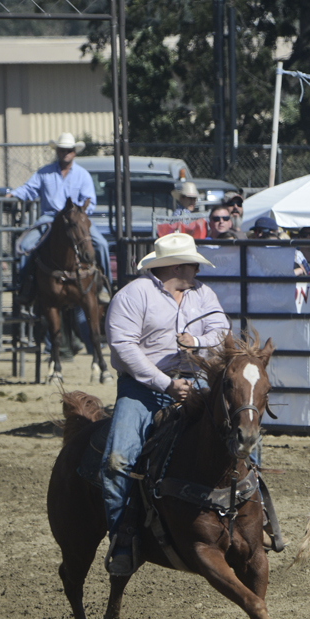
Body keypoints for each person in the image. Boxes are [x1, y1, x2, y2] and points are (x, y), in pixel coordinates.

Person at [100, 233, 231, 575]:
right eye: (192, 264)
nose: (196, 270)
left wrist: (197, 341)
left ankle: (253, 516)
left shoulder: (202, 294)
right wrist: (166, 384)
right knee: (117, 460)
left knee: (240, 436)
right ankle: (123, 541)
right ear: (176, 266)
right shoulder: (133, 295)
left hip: (197, 380)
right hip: (143, 386)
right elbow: (124, 349)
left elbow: (220, 329)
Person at [12, 132, 111, 304]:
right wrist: (13, 195)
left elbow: (90, 200)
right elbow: (28, 189)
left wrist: (77, 214)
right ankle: (26, 286)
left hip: (75, 219)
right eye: (62, 150)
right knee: (26, 246)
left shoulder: (82, 175)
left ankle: (105, 286)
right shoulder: (44, 173)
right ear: (57, 151)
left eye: (69, 150)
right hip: (49, 218)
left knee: (101, 244)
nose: (66, 153)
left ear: (74, 152)